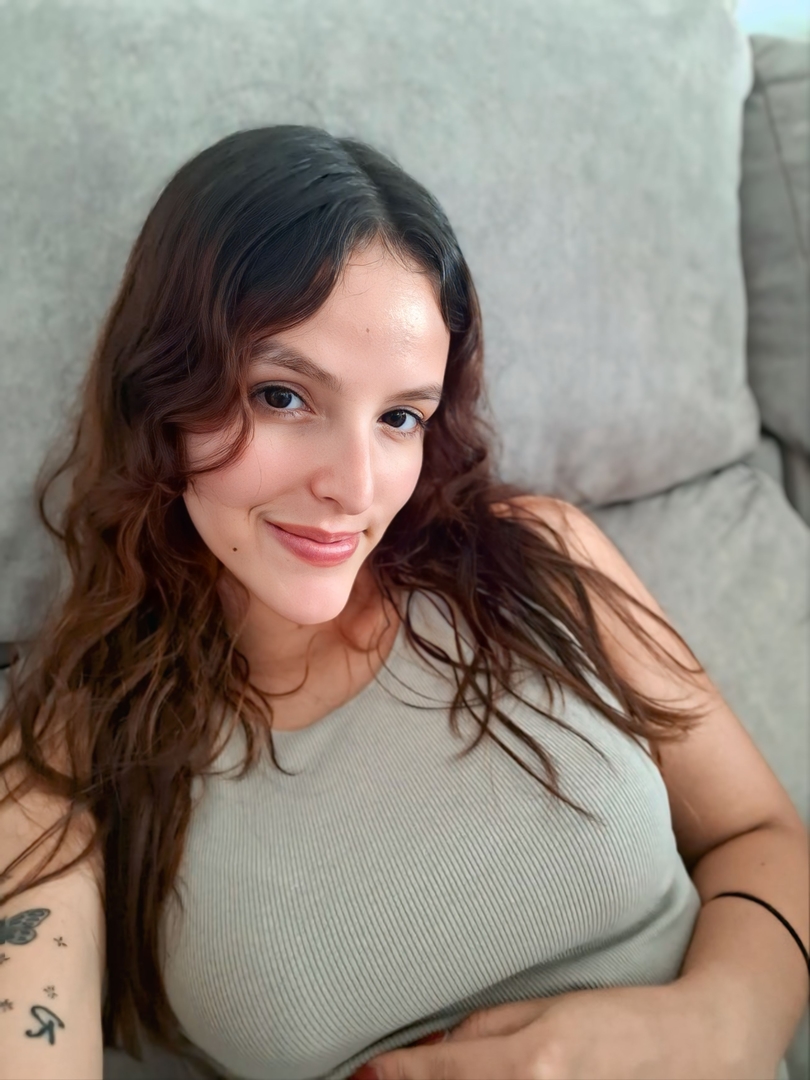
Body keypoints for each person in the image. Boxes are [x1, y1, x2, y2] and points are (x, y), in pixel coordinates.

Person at [0, 126, 802, 1080]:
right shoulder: (68, 746)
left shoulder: (542, 558)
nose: (355, 486)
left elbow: (762, 836)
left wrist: (719, 1024)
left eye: (399, 417)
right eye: (283, 396)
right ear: (159, 391)